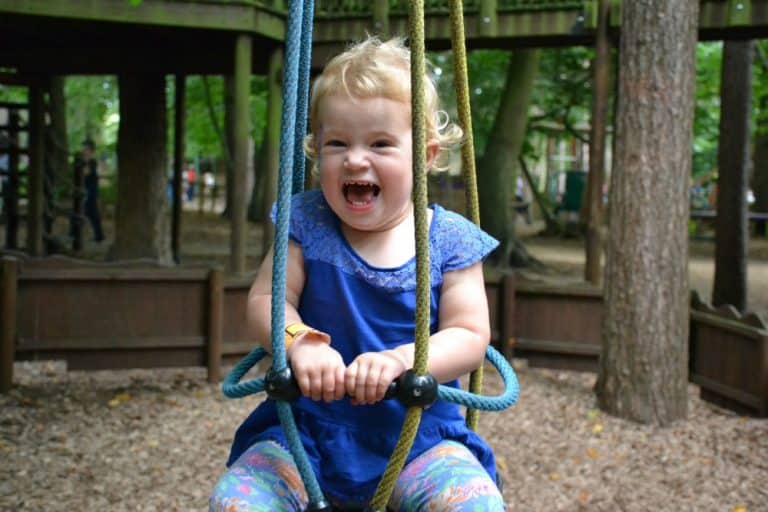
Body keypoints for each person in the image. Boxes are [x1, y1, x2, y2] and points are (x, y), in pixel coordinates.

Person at [210, 37, 504, 511]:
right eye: (337, 143)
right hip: (302, 433)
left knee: (473, 505)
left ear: (426, 157)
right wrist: (298, 339)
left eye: (381, 143)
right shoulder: (306, 224)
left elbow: (471, 334)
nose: (355, 158)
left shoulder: (448, 240)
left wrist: (401, 360)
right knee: (238, 502)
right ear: (317, 150)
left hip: (419, 439)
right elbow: (267, 301)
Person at [79, 139, 104, 242]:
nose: (84, 151)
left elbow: (86, 173)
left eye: (87, 149)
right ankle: (73, 233)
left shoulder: (92, 162)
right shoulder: (82, 162)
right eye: (84, 148)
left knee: (92, 213)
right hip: (85, 189)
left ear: (91, 151)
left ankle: (99, 236)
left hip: (91, 190)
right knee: (82, 211)